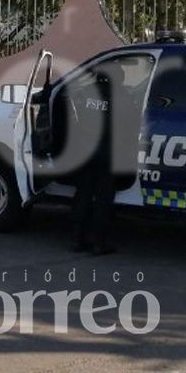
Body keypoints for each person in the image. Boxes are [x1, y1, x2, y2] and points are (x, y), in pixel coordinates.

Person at [69, 61, 136, 256]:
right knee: (103, 199)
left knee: (83, 193)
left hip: (85, 152)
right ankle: (99, 243)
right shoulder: (122, 97)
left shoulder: (86, 93)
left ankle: (77, 238)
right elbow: (131, 126)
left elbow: (77, 118)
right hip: (108, 154)